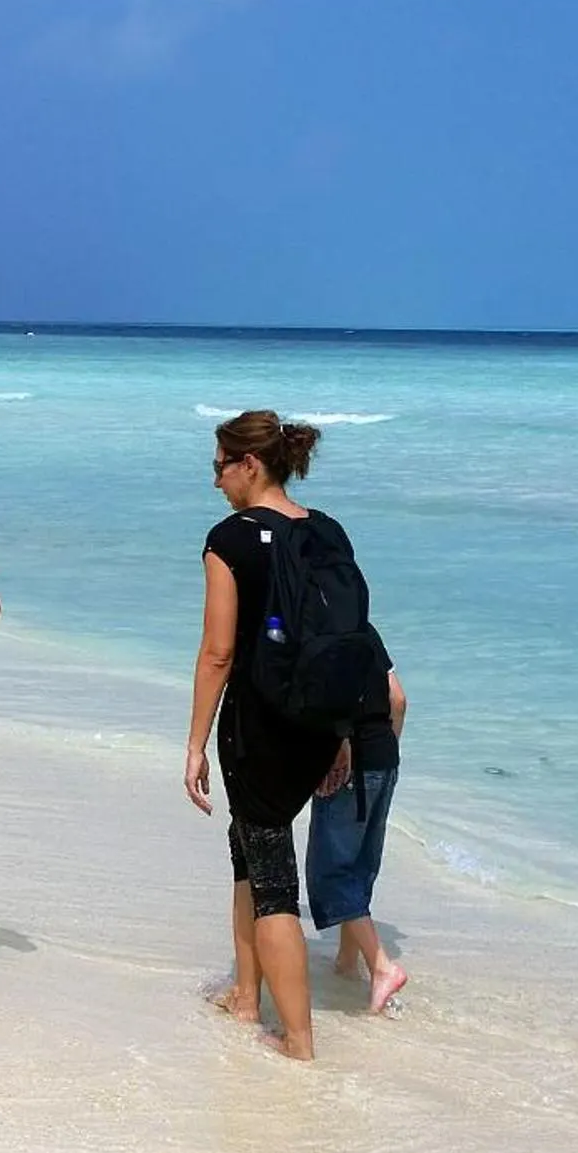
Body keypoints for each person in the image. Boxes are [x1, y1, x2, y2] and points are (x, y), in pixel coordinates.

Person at [185, 410, 384, 1061]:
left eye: (219, 466)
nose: (215, 481)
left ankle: (298, 1043)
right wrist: (344, 733)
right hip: (320, 726)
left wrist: (193, 744)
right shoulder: (326, 531)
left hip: (259, 729)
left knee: (272, 882)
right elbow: (348, 643)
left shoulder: (231, 539)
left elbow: (217, 653)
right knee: (247, 849)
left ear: (248, 464)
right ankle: (247, 997)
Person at [307, 665, 410, 1014]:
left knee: (330, 873)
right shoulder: (368, 637)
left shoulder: (326, 635)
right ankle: (347, 963)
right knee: (359, 867)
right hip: (385, 758)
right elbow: (398, 700)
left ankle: (381, 966)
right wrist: (387, 750)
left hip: (349, 766)